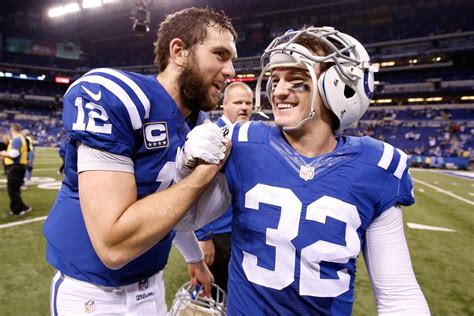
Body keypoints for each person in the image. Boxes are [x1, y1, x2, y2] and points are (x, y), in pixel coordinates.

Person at [180, 26, 430, 315]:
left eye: (298, 81)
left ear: (338, 88)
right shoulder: (244, 142)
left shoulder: (376, 166)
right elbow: (187, 220)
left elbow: (398, 295)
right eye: (275, 80)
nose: (280, 91)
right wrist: (191, 166)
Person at [42, 7, 237, 315]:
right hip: (92, 294)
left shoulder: (199, 125)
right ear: (179, 51)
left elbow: (173, 207)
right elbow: (113, 245)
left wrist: (195, 259)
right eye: (220, 54)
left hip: (151, 285)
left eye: (232, 60)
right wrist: (202, 176)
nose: (231, 71)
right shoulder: (119, 97)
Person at [195, 81, 253, 294]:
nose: (244, 107)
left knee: (237, 296)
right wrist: (203, 235)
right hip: (217, 233)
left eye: (248, 102)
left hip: (240, 230)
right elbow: (195, 187)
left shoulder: (249, 135)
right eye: (238, 102)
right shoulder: (212, 135)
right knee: (213, 297)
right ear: (224, 104)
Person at [0, 123, 32, 216]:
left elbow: (14, 153)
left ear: (12, 130)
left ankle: (18, 210)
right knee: (15, 189)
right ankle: (21, 207)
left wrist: (4, 154)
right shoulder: (21, 138)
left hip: (16, 167)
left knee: (12, 190)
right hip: (20, 166)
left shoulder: (17, 139)